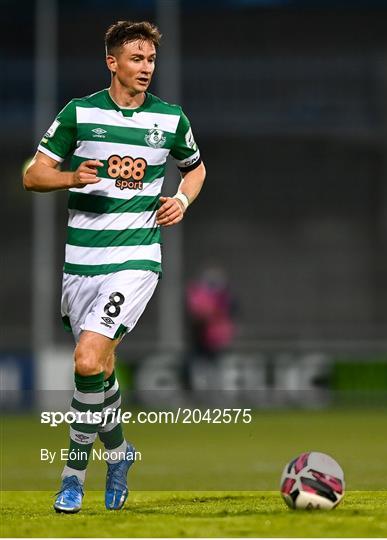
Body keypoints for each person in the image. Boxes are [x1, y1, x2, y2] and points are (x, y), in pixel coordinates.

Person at [23, 20, 206, 514]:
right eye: (136, 59)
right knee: (98, 369)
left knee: (86, 359)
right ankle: (120, 454)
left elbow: (195, 168)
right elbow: (32, 175)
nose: (146, 68)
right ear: (113, 62)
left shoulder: (170, 119)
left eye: (151, 60)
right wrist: (67, 177)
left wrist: (182, 201)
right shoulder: (79, 113)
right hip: (82, 263)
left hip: (137, 259)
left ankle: (72, 478)